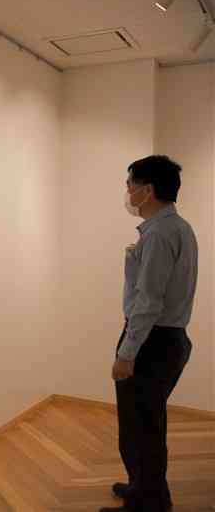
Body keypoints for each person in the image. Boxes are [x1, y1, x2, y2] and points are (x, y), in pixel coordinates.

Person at [101, 155, 197, 512]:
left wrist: (126, 354)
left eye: (129, 185)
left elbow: (148, 303)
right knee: (147, 423)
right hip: (169, 339)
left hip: (151, 341)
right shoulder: (179, 228)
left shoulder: (157, 235)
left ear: (147, 190)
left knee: (140, 427)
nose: (126, 192)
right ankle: (145, 490)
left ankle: (148, 501)